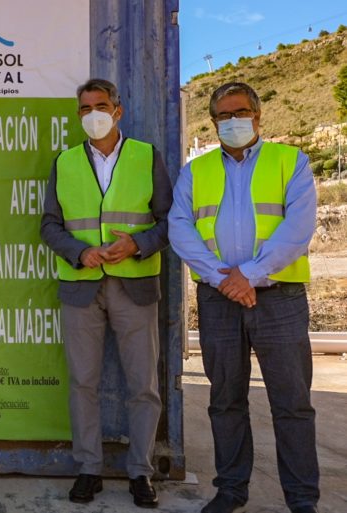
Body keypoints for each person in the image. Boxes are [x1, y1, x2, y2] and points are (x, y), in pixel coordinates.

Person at [168, 82, 319, 513]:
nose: (232, 122)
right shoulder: (195, 171)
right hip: (219, 300)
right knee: (226, 401)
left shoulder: (291, 162)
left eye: (240, 113)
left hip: (279, 298)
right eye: (222, 116)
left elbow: (297, 229)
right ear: (213, 121)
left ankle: (302, 499)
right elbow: (181, 229)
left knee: (291, 403)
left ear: (258, 115)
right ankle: (231, 490)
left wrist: (249, 275)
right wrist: (223, 279)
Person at [41, 78, 171, 508]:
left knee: (143, 385)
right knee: (83, 383)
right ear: (78, 114)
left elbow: (171, 221)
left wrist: (137, 243)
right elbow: (49, 226)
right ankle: (88, 469)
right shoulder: (64, 163)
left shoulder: (146, 156)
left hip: (135, 285)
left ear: (118, 109)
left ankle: (141, 472)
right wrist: (81, 252)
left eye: (100, 105)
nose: (93, 113)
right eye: (84, 108)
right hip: (82, 288)